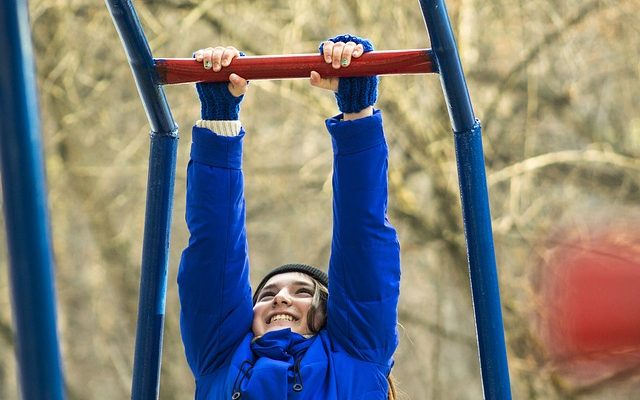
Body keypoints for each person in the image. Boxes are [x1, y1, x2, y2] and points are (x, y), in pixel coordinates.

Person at [178, 34, 401, 400]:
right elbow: (213, 253)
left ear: (330, 314)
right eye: (266, 294)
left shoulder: (355, 353)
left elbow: (364, 242)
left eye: (301, 293)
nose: (280, 299)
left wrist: (358, 111)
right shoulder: (222, 359)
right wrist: (219, 117)